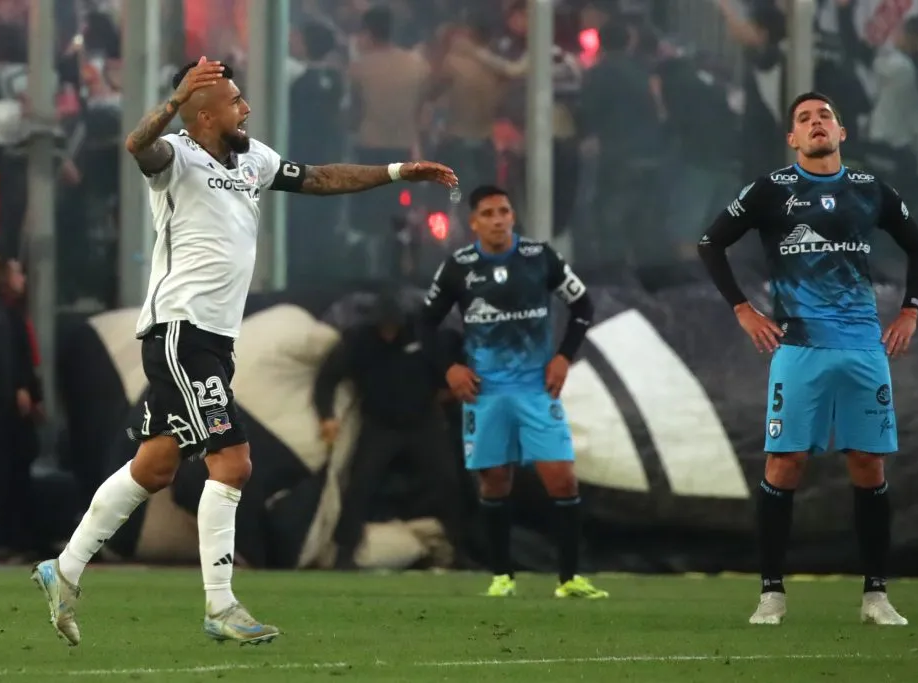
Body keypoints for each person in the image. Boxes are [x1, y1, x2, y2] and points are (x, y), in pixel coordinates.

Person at [31, 57, 457, 646]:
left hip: (215, 340)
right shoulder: (176, 155)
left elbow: (320, 177)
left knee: (154, 465)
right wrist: (175, 97)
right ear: (202, 113)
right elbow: (137, 143)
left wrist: (396, 170)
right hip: (181, 333)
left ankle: (64, 568)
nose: (246, 108)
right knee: (233, 463)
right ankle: (221, 605)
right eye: (234, 101)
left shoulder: (253, 159)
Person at [697, 92, 918, 626]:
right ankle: (771, 595)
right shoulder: (771, 190)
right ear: (792, 139)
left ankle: (876, 597)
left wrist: (910, 311)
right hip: (798, 347)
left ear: (841, 132)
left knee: (868, 464)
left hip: (864, 347)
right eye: (804, 119)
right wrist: (743, 310)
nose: (815, 123)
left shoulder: (871, 190)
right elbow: (710, 243)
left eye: (824, 115)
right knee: (786, 463)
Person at [419, 185, 607, 599]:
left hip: (536, 388)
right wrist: (449, 368)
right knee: (494, 482)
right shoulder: (459, 266)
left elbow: (583, 307)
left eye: (504, 210)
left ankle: (569, 578)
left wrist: (564, 357)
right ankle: (502, 576)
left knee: (562, 478)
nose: (498, 219)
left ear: (513, 216)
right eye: (488, 213)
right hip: (485, 392)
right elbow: (424, 324)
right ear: (474, 223)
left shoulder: (541, 257)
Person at [314, 292, 466, 569]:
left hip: (423, 422)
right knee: (360, 485)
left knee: (449, 482)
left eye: (392, 326)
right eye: (382, 326)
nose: (388, 332)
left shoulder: (422, 335)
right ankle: (344, 554)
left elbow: (448, 371)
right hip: (379, 424)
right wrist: (327, 416)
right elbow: (326, 379)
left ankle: (461, 550)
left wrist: (449, 395)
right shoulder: (358, 340)